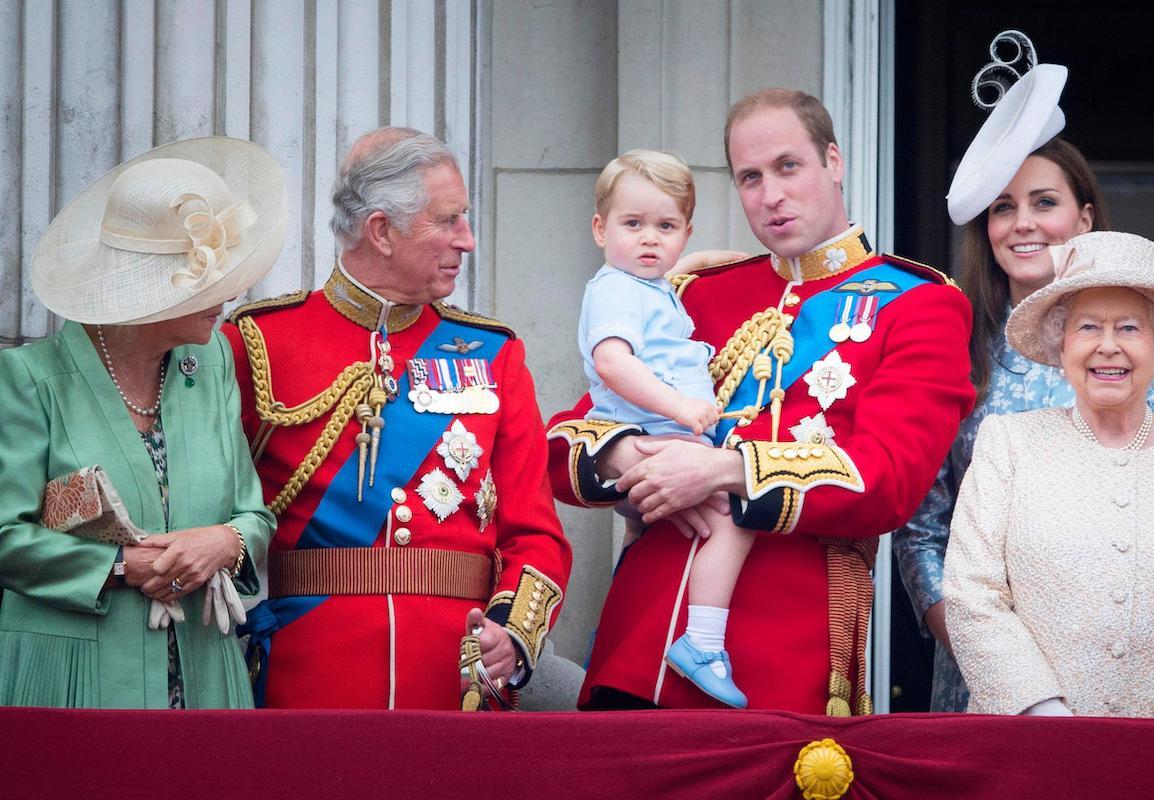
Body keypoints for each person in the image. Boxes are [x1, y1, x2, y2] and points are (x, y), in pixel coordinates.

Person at [548, 88, 975, 713]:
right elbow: (563, 441)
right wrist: (630, 455)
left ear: (833, 161)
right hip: (636, 638)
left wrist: (722, 470)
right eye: (750, 177)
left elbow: (889, 478)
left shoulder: (918, 303)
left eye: (787, 166)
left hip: (782, 653)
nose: (770, 194)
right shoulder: (696, 293)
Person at [223, 127, 571, 709]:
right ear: (381, 231)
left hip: (454, 680)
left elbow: (536, 533)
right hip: (305, 678)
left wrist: (512, 633)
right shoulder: (258, 342)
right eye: (449, 221)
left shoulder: (494, 353)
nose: (468, 240)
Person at [893, 63, 1154, 713]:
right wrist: (984, 651)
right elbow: (922, 529)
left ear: (1085, 218)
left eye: (1044, 202)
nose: (1022, 223)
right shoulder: (954, 346)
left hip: (1145, 680)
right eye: (1003, 207)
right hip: (989, 672)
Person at [0, 137, 281, 708]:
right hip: (76, 680)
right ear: (144, 293)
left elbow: (253, 513)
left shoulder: (214, 362)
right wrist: (122, 565)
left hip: (205, 672)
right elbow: (6, 534)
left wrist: (224, 542)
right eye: (207, 283)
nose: (228, 295)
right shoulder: (30, 379)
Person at [944, 230, 1154, 719]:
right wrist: (1045, 716)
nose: (1108, 347)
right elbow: (971, 591)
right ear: (1059, 344)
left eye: (1129, 328)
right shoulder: (1008, 443)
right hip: (1029, 744)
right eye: (1087, 328)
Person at [579, 150, 753, 708]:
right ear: (601, 229)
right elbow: (612, 362)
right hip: (658, 434)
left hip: (660, 435)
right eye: (634, 225)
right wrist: (681, 407)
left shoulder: (643, 282)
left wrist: (706, 260)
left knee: (649, 543)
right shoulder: (615, 289)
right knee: (737, 514)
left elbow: (662, 277)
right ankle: (703, 642)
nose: (650, 240)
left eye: (666, 227)